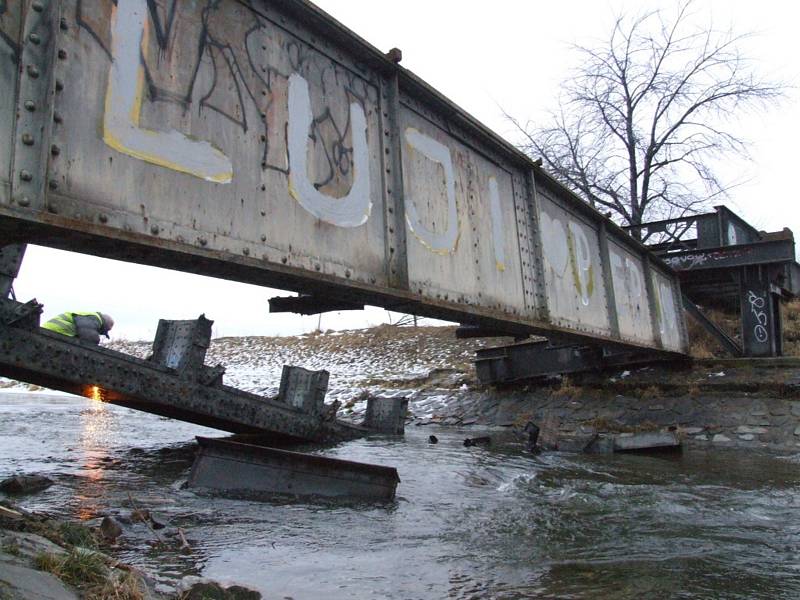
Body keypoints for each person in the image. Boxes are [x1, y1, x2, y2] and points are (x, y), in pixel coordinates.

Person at [42, 311, 114, 345]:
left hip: (51, 330)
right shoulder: (94, 318)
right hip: (55, 331)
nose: (100, 333)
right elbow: (89, 335)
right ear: (104, 325)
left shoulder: (89, 315)